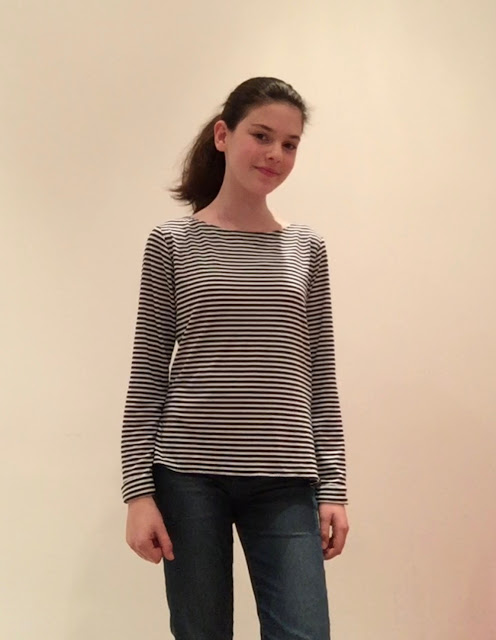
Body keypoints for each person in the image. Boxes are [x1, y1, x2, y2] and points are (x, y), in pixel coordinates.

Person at [120, 76, 349, 640]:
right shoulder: (173, 243)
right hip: (188, 476)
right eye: (261, 136)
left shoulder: (307, 248)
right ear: (223, 136)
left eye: (290, 144)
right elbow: (148, 373)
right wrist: (138, 492)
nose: (275, 154)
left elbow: (320, 375)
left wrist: (334, 486)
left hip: (285, 479)